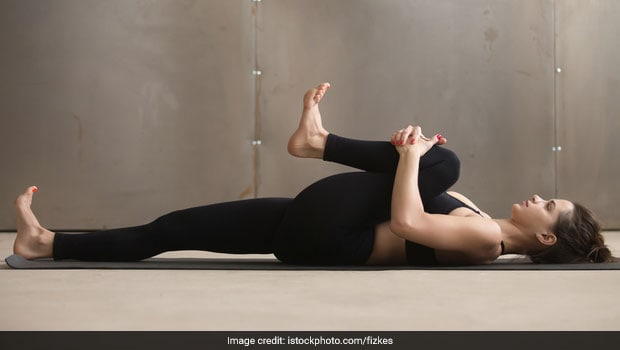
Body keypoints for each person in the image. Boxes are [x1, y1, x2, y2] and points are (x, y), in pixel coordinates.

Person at [13, 83, 614, 266]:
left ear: (544, 238)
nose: (538, 196)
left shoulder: (486, 240)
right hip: (312, 230)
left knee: (443, 163)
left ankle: (317, 143)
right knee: (170, 229)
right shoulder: (481, 219)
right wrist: (414, 156)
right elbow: (412, 193)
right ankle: (46, 243)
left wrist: (415, 158)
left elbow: (405, 220)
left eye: (549, 205)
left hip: (334, 240)